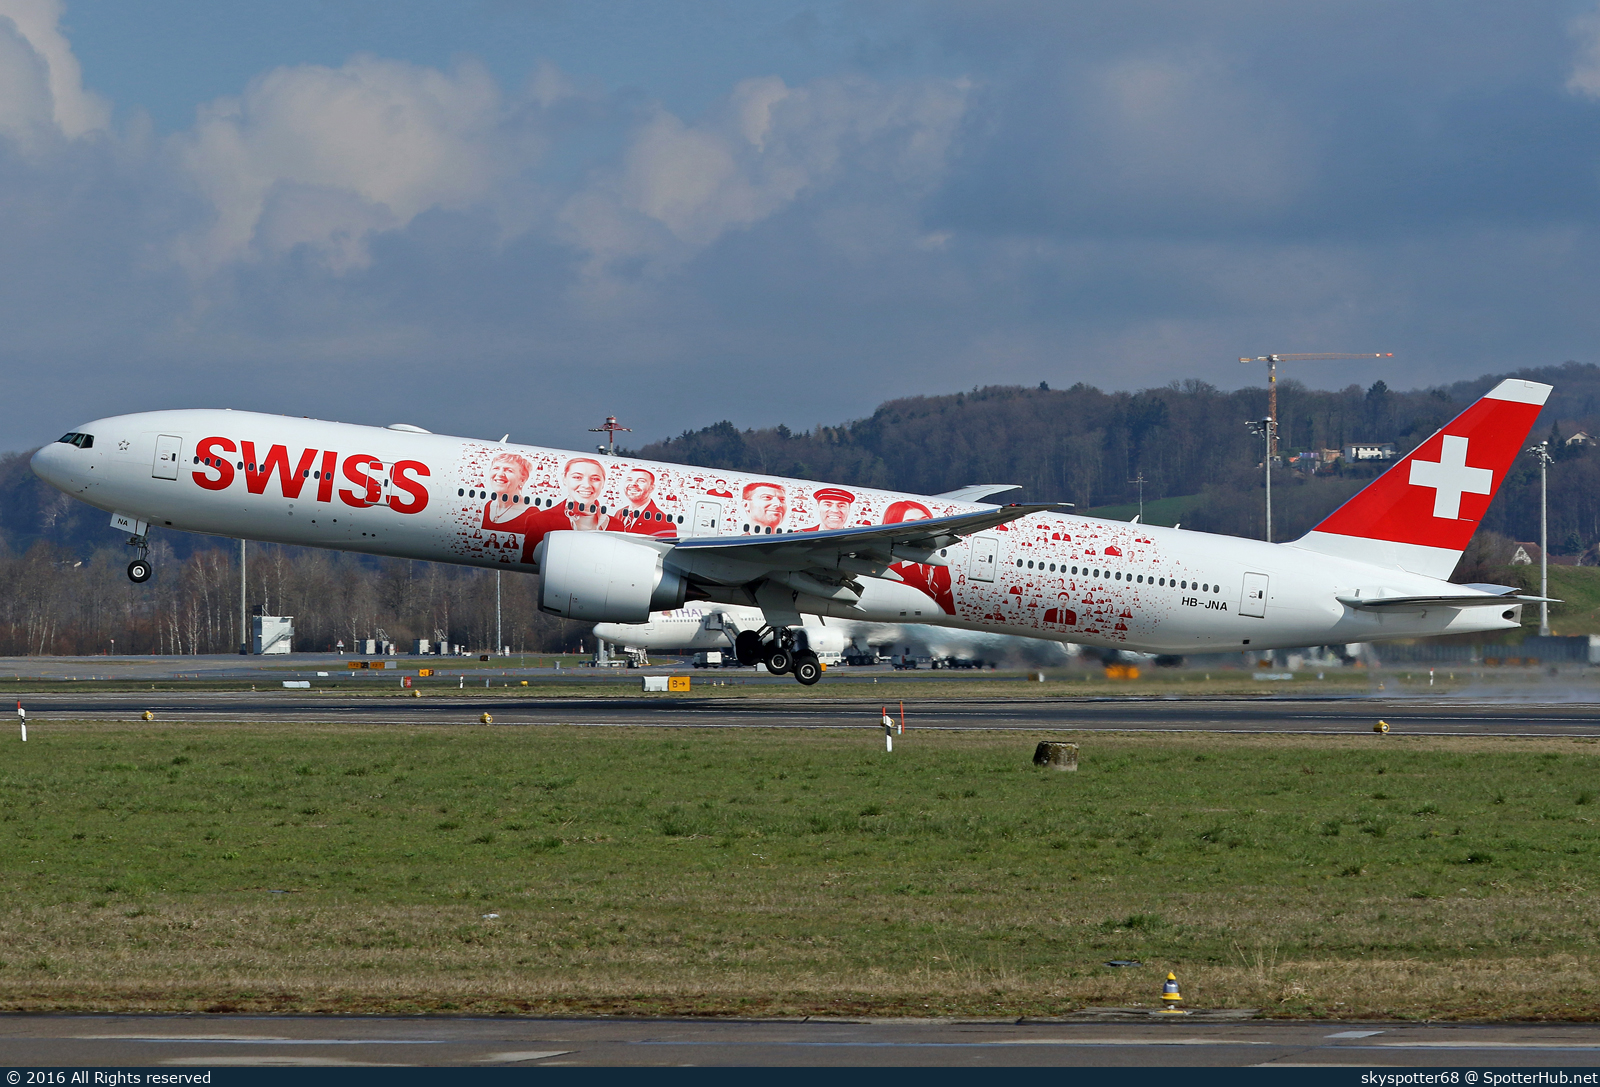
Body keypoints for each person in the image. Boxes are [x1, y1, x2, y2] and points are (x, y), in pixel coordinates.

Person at [519, 457, 614, 561]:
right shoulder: (538, 521)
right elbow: (528, 561)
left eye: (595, 479)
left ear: (604, 483)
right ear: (564, 479)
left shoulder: (616, 525)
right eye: (577, 477)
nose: (586, 485)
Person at [881, 498, 953, 614]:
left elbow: (949, 609)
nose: (922, 532)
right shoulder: (892, 570)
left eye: (925, 523)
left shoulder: (937, 568)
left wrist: (945, 589)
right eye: (912, 525)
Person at [619, 467, 673, 536]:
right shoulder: (620, 513)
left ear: (651, 488)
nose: (633, 484)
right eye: (629, 480)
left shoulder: (666, 524)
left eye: (641, 481)